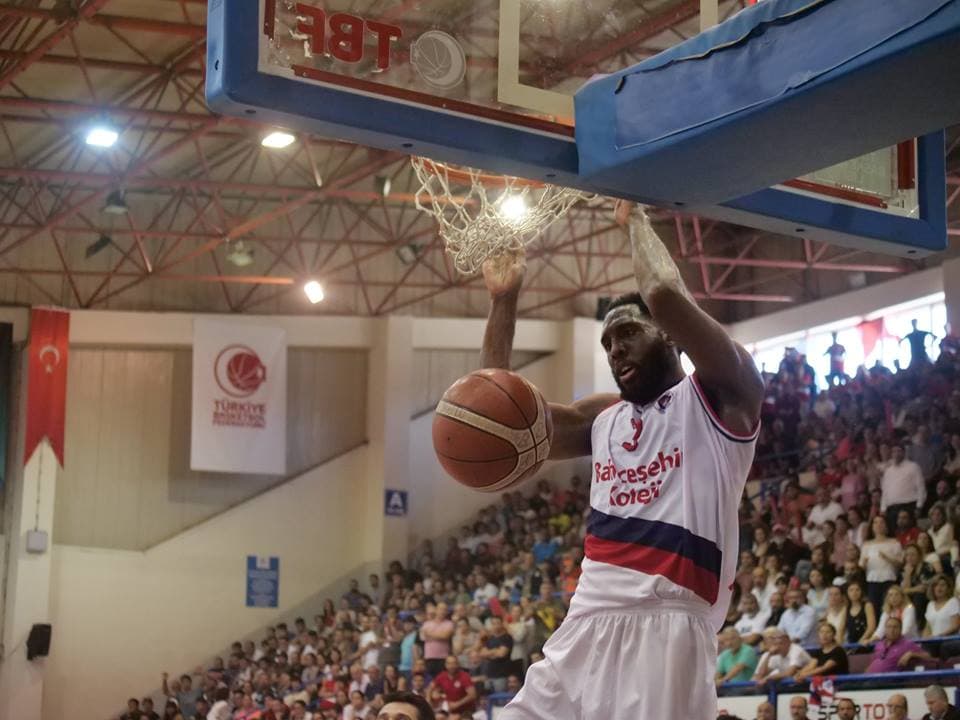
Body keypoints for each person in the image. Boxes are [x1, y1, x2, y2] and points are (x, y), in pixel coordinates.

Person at [483, 201, 763, 720]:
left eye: (628, 333)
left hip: (669, 621)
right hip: (586, 620)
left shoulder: (725, 393)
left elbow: (663, 292)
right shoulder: (602, 417)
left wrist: (633, 217)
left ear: (669, 334)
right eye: (608, 342)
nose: (615, 350)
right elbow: (496, 426)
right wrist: (504, 300)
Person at [861, 515, 903, 611]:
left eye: (881, 522)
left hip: (889, 578)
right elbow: (862, 565)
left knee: (889, 607)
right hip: (872, 580)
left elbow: (900, 563)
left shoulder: (894, 542)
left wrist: (887, 558)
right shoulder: (866, 544)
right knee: (874, 607)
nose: (878, 525)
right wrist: (864, 563)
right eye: (875, 522)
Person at [866, 617, 933, 673]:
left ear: (900, 630)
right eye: (889, 627)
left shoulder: (907, 644)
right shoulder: (879, 644)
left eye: (895, 627)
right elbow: (872, 663)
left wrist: (911, 654)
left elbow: (928, 656)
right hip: (868, 678)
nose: (892, 630)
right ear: (885, 629)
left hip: (888, 681)